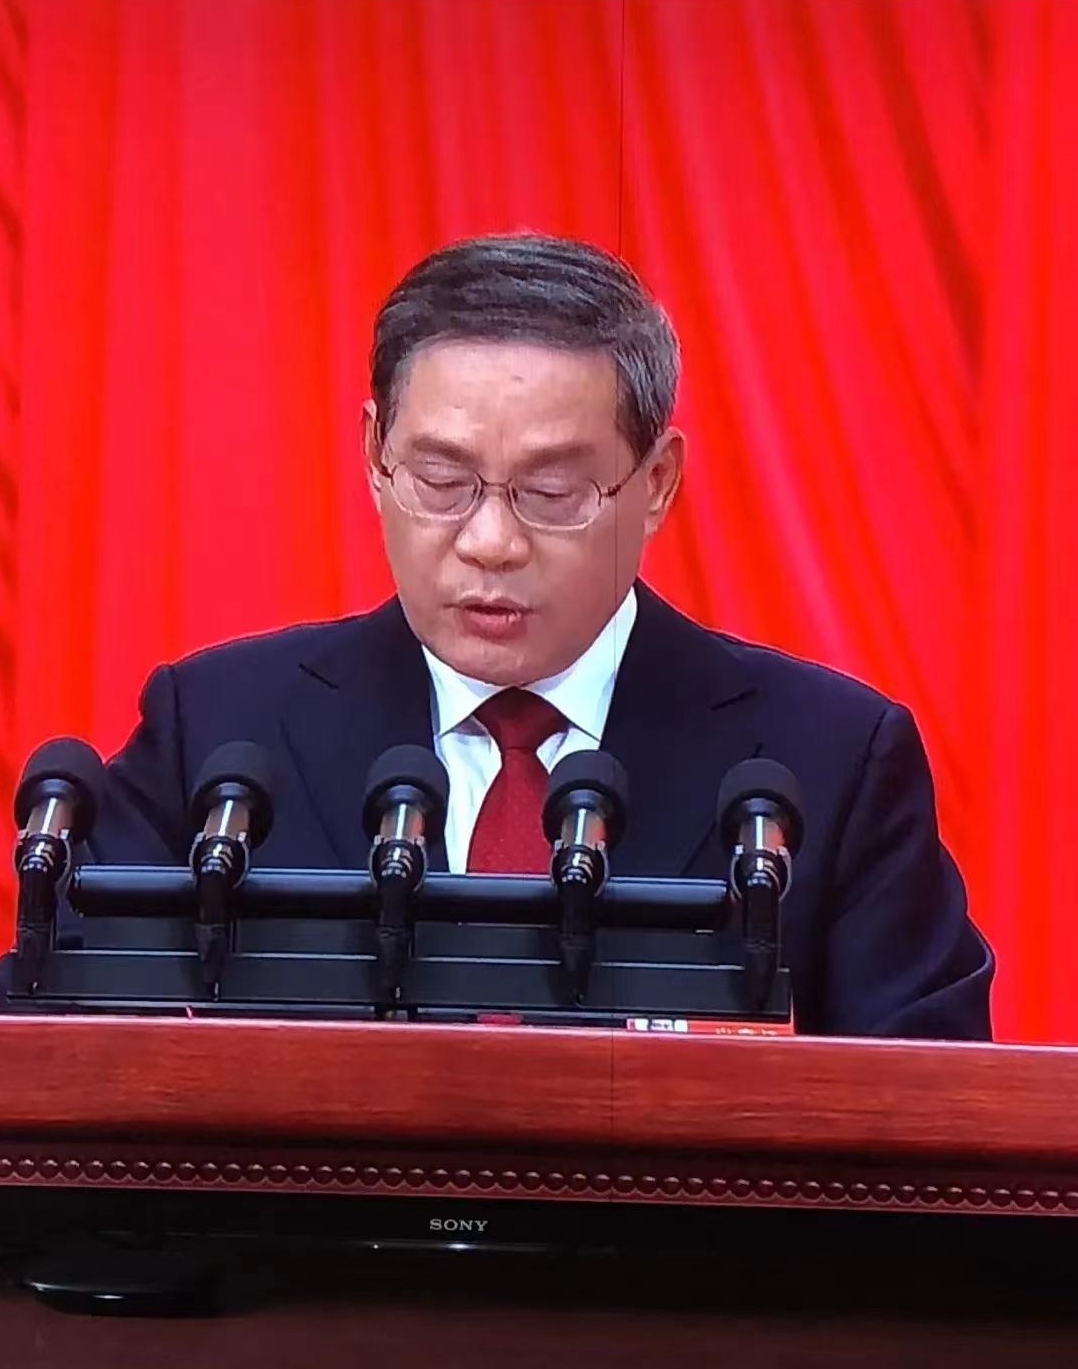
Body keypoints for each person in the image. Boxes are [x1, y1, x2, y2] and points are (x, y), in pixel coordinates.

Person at [72, 231, 993, 1039]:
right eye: (442, 482)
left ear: (658, 482)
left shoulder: (828, 761)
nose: (491, 541)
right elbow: (50, 1047)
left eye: (552, 493)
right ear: (374, 456)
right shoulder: (220, 737)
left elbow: (931, 1116)